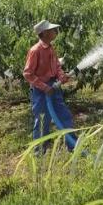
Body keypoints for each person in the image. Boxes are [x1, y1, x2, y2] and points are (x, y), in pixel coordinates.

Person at [23, 20, 76, 154]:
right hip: (41, 92)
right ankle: (39, 152)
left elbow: (57, 66)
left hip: (54, 87)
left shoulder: (51, 48)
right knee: (42, 121)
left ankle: (73, 146)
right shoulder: (35, 51)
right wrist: (44, 87)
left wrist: (61, 76)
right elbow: (27, 73)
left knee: (65, 116)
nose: (55, 32)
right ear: (45, 33)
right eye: (52, 30)